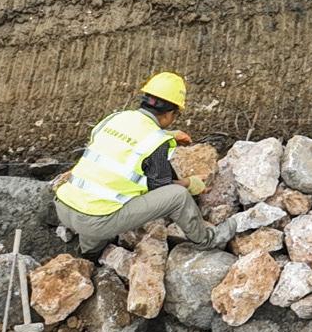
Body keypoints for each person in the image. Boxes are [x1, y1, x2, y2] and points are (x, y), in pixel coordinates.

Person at [54, 72, 202, 248]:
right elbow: (163, 187)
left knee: (100, 196)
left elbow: (124, 142)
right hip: (95, 222)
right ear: (170, 114)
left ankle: (89, 253)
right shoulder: (156, 142)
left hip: (64, 206)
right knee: (178, 196)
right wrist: (190, 183)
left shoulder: (116, 118)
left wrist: (168, 135)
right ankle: (210, 239)